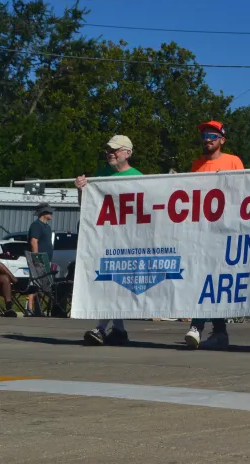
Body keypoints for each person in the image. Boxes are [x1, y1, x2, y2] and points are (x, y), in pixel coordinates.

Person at [184, 121, 245, 350]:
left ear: (222, 139)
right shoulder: (197, 164)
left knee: (215, 280)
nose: (207, 138)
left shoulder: (233, 161)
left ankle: (197, 327)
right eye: (204, 135)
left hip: (225, 229)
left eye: (212, 134)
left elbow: (245, 190)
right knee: (204, 278)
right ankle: (218, 332)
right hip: (201, 229)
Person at [77, 135, 142, 346]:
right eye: (108, 150)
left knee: (116, 283)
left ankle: (102, 327)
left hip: (129, 241)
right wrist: (81, 190)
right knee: (109, 282)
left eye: (115, 150)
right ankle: (118, 330)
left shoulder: (139, 178)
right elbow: (88, 208)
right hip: (106, 240)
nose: (110, 153)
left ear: (127, 153)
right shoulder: (101, 175)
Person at [27, 204, 56, 316]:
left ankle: (38, 309)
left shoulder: (47, 227)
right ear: (44, 213)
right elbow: (34, 241)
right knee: (35, 281)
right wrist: (36, 257)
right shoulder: (36, 225)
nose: (51, 214)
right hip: (38, 259)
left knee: (43, 284)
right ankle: (29, 308)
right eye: (49, 212)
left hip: (47, 259)